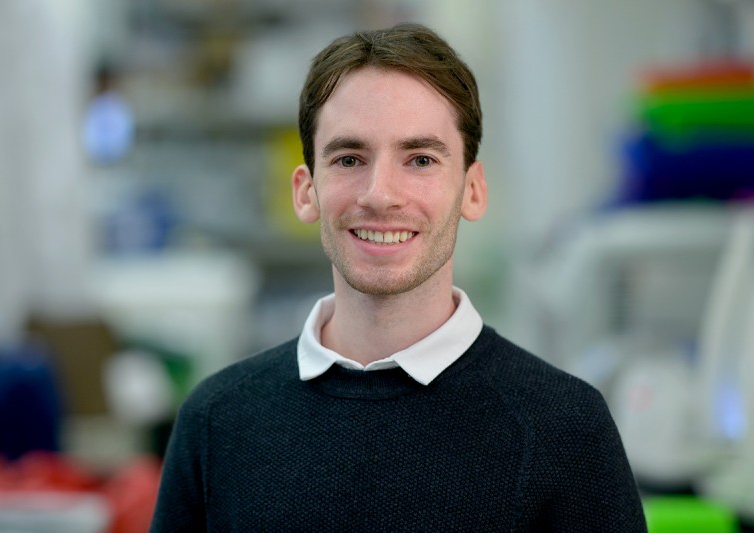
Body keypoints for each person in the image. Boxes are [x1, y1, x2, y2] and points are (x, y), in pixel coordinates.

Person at [150, 23, 647, 531]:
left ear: (473, 190)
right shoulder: (216, 421)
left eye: (420, 159)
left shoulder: (565, 429)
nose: (380, 195)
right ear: (305, 191)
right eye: (349, 159)